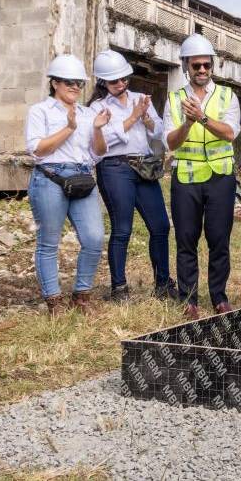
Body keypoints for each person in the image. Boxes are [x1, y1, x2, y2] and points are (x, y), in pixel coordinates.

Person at [25, 54, 110, 316]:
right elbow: (37, 150)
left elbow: (98, 153)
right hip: (50, 178)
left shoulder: (88, 113)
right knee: (49, 242)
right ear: (55, 83)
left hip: (82, 177)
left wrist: (96, 129)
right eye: (69, 82)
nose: (75, 87)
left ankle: (81, 296)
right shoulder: (40, 111)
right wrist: (69, 128)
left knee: (94, 238)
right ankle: (54, 301)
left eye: (79, 83)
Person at [164, 34, 240, 319]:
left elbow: (230, 132)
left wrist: (204, 118)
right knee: (186, 239)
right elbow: (170, 143)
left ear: (212, 66)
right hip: (186, 177)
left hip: (220, 177)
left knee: (219, 239)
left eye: (206, 65)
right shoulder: (174, 99)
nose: (202, 71)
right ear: (186, 65)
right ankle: (189, 299)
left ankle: (219, 297)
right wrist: (187, 123)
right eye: (196, 66)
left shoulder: (226, 96)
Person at [88, 50, 174, 303]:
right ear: (103, 82)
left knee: (160, 226)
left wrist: (145, 117)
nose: (121, 84)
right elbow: (102, 141)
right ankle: (119, 287)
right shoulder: (98, 107)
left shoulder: (139, 98)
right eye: (114, 81)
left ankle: (162, 283)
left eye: (124, 79)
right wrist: (133, 117)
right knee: (122, 228)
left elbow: (158, 132)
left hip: (144, 164)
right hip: (114, 167)